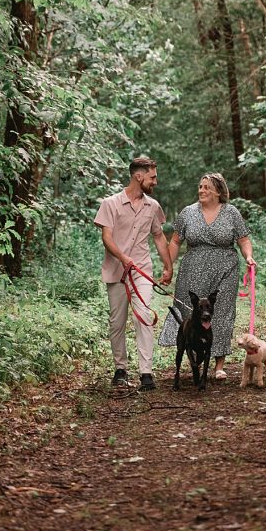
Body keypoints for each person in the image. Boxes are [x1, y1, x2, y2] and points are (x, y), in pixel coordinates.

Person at [157, 172, 256, 380]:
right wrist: (168, 267)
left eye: (206, 187)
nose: (201, 190)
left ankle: (219, 365)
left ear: (218, 191)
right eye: (200, 187)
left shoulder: (231, 213)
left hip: (225, 270)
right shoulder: (187, 213)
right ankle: (194, 356)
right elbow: (175, 242)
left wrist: (248, 257)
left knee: (221, 314)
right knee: (190, 313)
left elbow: (244, 240)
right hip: (192, 270)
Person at [94, 156, 173, 391]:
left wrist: (167, 266)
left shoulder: (153, 206)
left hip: (141, 270)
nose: (155, 182)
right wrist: (123, 258)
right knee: (117, 322)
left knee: (144, 317)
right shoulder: (110, 203)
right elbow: (106, 237)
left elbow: (159, 236)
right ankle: (120, 369)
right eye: (152, 177)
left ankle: (146, 373)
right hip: (117, 270)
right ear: (138, 176)